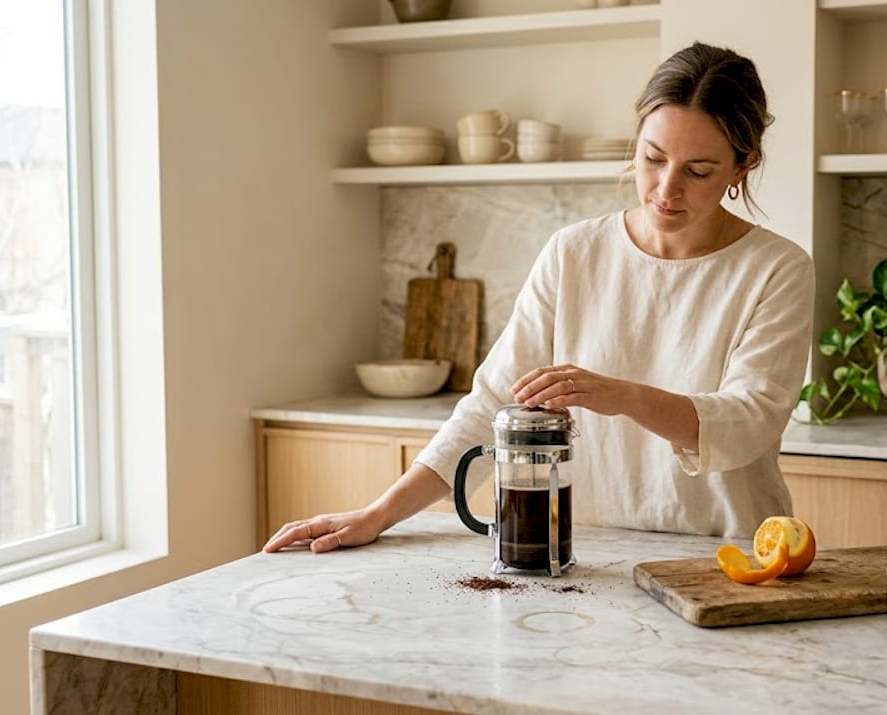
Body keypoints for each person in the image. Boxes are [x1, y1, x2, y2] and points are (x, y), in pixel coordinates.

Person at [264, 42, 815, 554]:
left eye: (698, 171)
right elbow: (491, 407)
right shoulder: (573, 253)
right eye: (652, 158)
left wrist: (620, 395)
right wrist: (379, 514)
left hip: (729, 560)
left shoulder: (776, 269)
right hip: (594, 556)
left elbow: (749, 422)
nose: (666, 189)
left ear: (743, 166)